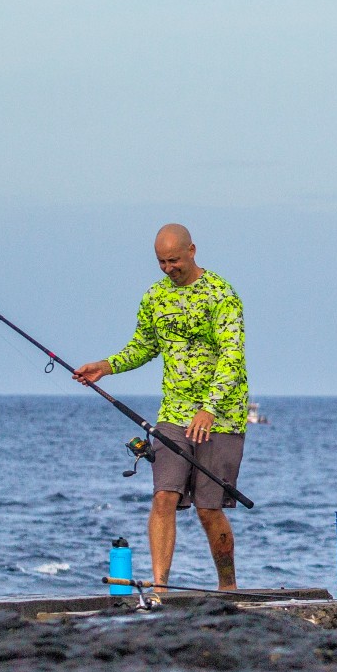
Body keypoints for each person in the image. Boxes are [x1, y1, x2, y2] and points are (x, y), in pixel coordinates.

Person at [74, 225, 248, 591]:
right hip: (173, 415)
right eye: (161, 262)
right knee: (164, 496)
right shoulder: (154, 297)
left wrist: (210, 409)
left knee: (208, 509)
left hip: (222, 416)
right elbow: (143, 346)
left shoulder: (222, 294)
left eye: (174, 260)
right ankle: (159, 589)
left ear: (192, 251)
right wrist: (105, 367)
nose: (168, 268)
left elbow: (232, 356)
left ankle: (228, 587)